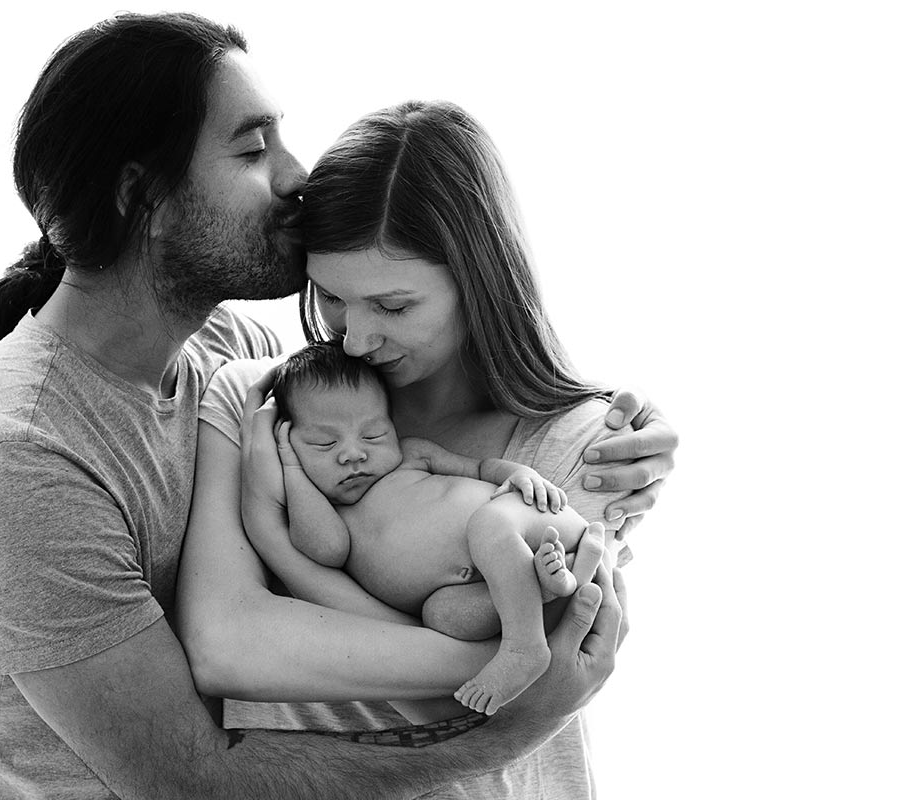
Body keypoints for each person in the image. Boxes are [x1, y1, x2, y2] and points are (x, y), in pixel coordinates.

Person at [0, 13, 667, 800]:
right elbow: (194, 779)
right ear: (142, 196)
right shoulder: (11, 462)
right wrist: (513, 710)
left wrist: (612, 424)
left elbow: (424, 389)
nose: (298, 174)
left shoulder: (231, 354)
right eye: (252, 149)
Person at [178, 98, 677, 799]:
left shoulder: (583, 444)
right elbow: (224, 647)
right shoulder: (258, 402)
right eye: (330, 297)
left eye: (393, 305)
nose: (355, 340)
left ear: (478, 281)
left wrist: (284, 560)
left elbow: (485, 703)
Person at [266, 340, 605, 716]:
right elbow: (325, 549)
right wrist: (292, 470)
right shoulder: (328, 516)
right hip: (485, 580)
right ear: (288, 442)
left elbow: (480, 469)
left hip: (522, 520)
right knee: (442, 617)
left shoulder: (413, 455)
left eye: (373, 435)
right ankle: (539, 586)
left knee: (488, 524)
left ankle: (524, 646)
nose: (353, 454)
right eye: (323, 444)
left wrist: (520, 475)